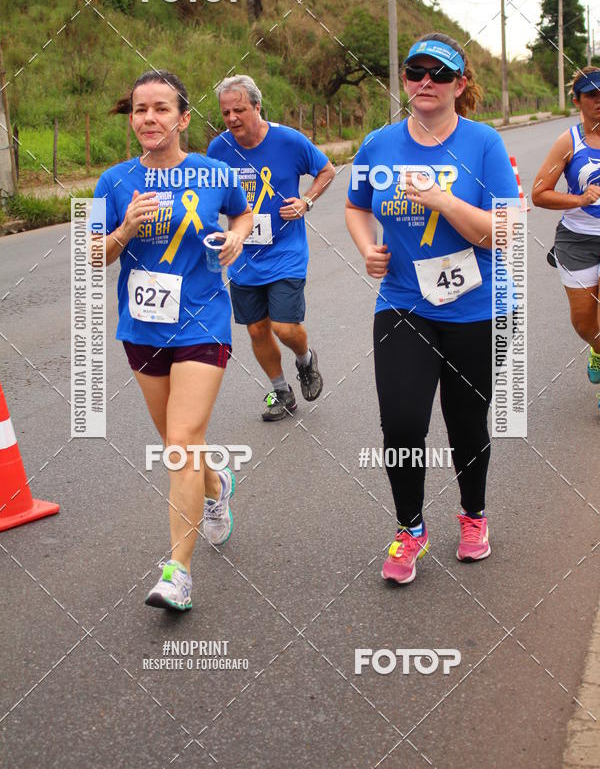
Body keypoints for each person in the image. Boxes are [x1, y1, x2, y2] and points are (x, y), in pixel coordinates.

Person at [346, 33, 519, 585]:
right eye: (415, 71)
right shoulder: (377, 145)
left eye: (439, 74)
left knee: (466, 421)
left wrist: (444, 200)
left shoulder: (484, 144)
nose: (426, 81)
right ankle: (410, 529)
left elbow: (504, 233)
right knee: (400, 421)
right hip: (403, 303)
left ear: (459, 85)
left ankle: (473, 516)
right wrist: (367, 248)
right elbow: (354, 204)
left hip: (475, 308)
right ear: (403, 81)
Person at [93, 70, 252, 610]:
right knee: (177, 442)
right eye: (140, 110)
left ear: (183, 119)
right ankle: (216, 486)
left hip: (204, 322)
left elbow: (244, 210)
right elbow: (90, 256)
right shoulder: (111, 183)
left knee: (181, 441)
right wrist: (124, 230)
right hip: (141, 327)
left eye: (161, 109)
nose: (149, 118)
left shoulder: (214, 172)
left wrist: (236, 235)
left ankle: (177, 572)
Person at [207, 75, 336, 420]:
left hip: (285, 253)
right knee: (256, 329)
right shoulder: (219, 148)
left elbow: (326, 170)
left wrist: (306, 201)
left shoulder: (289, 141)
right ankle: (281, 391)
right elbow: (214, 196)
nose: (232, 118)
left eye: (239, 110)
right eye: (225, 112)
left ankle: (306, 360)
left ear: (257, 106)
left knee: (284, 326)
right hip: (244, 256)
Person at [531, 66, 600, 387]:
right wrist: (580, 199)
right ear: (577, 101)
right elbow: (539, 194)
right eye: (591, 95)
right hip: (577, 240)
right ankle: (597, 349)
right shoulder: (568, 142)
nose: (599, 101)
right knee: (585, 322)